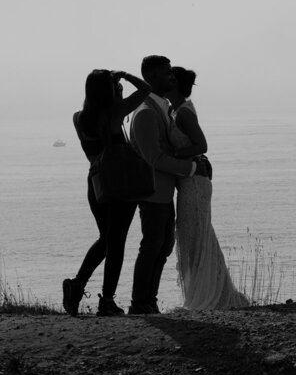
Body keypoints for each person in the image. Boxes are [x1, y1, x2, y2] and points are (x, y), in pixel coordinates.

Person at [64, 69, 152, 316]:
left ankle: (77, 285)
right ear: (110, 90)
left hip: (96, 184)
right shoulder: (115, 113)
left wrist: (115, 85)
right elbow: (146, 89)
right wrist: (124, 76)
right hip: (120, 182)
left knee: (106, 239)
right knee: (116, 242)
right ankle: (107, 301)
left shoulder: (78, 118)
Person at [128, 55, 211, 314]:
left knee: (162, 246)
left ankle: (149, 301)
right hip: (152, 192)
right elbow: (155, 158)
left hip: (164, 192)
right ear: (150, 78)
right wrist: (192, 167)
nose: (172, 78)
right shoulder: (144, 113)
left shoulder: (160, 108)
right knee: (152, 245)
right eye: (167, 74)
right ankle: (140, 302)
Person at [166, 67, 249, 309]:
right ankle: (211, 291)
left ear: (175, 84)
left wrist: (172, 154)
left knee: (197, 236)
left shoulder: (183, 114)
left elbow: (201, 144)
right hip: (188, 182)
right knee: (196, 236)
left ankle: (209, 296)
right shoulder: (174, 109)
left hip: (194, 183)